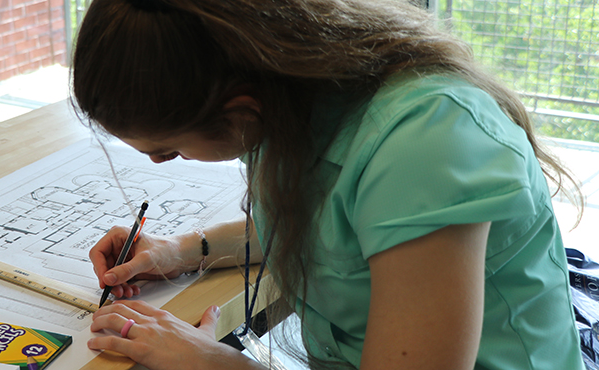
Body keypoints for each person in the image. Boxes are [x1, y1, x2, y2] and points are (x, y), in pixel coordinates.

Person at [72, 0, 586, 369]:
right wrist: (180, 250)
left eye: (169, 149)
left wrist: (213, 363)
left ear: (240, 110)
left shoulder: (426, 141)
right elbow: (336, 227)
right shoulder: (290, 97)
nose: (161, 164)